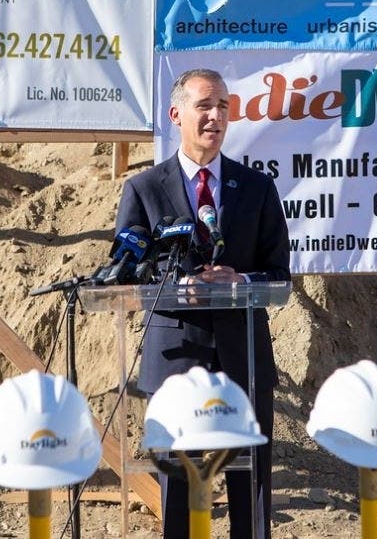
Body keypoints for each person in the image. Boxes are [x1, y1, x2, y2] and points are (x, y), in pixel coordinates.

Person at [115, 69, 290, 538]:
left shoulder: (256, 188)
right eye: (205, 106)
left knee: (248, 484)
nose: (216, 117)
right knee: (178, 484)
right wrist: (177, 285)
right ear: (176, 115)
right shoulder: (144, 189)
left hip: (242, 358)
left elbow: (279, 275)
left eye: (224, 108)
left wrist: (242, 278)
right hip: (177, 357)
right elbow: (129, 272)